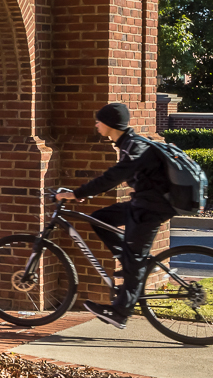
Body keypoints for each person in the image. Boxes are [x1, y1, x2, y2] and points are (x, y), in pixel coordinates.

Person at [55, 101, 175, 327]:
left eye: (99, 120)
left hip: (151, 208)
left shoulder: (133, 147)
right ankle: (128, 261)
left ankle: (119, 313)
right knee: (101, 218)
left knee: (134, 259)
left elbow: (113, 177)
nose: (96, 124)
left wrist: (77, 193)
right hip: (143, 203)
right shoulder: (129, 143)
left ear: (110, 124)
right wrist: (82, 194)